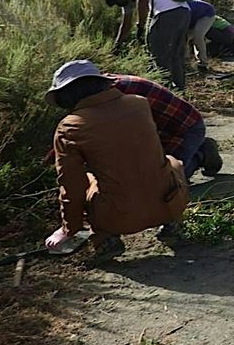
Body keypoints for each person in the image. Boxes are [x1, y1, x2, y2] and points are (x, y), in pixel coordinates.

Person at [43, 60, 191, 259]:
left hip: (118, 218)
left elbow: (71, 185)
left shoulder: (69, 127)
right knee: (172, 161)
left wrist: (68, 229)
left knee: (86, 181)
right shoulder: (139, 103)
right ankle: (172, 223)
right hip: (169, 203)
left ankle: (105, 239)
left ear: (65, 95)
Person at [106, 69, 222, 180]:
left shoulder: (119, 94)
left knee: (168, 180)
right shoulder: (106, 89)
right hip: (162, 128)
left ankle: (202, 154)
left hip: (187, 128)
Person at [113, 0, 190, 90]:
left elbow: (142, 0)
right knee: (176, 56)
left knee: (158, 55)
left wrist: (141, 26)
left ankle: (166, 94)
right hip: (184, 11)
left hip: (166, 14)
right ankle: (180, 91)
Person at [186, 0, 216, 72]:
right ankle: (186, 63)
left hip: (206, 13)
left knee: (198, 36)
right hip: (193, 16)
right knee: (184, 38)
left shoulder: (181, 7)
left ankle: (203, 63)